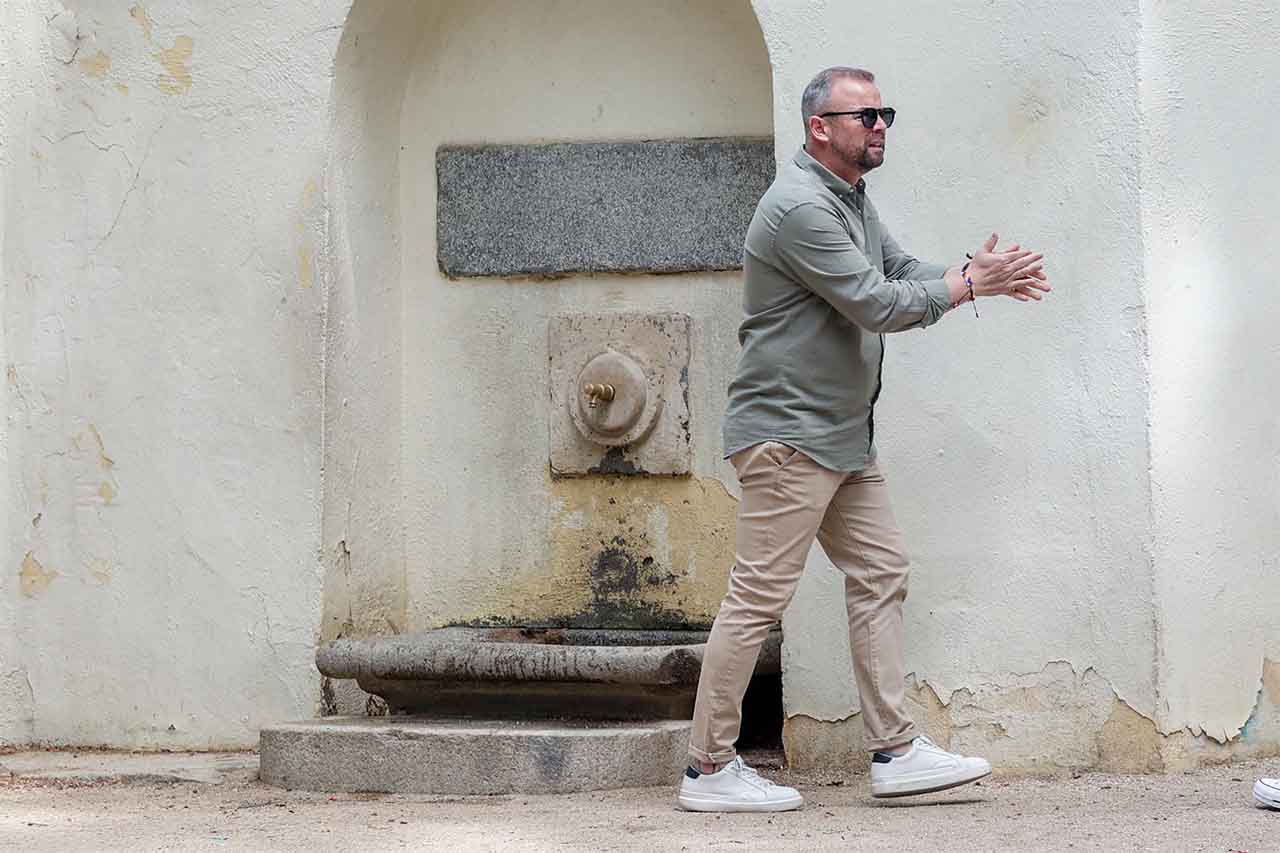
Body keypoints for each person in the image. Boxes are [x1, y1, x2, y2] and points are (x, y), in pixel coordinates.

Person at [676, 66, 1051, 813]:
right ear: (821, 128)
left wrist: (968, 272)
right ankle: (709, 768)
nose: (879, 126)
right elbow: (877, 303)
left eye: (885, 113)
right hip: (788, 435)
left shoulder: (848, 199)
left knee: (881, 569)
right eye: (864, 116)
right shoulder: (798, 209)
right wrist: (969, 288)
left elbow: (901, 270)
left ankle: (896, 751)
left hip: (840, 436)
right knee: (757, 598)